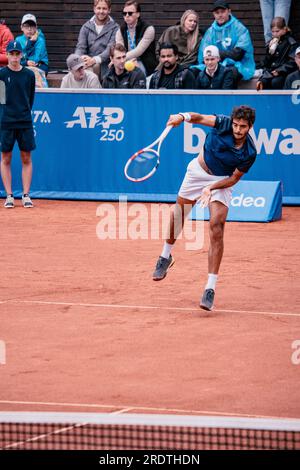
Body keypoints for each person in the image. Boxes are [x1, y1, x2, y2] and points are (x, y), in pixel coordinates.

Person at [152, 105, 257, 311]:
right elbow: (199, 118)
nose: (237, 130)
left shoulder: (249, 153)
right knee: (179, 214)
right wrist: (181, 116)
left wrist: (211, 187)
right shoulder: (223, 123)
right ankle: (166, 256)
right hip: (197, 172)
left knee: (217, 226)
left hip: (220, 181)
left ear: (250, 127)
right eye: (236, 125)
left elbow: (234, 178)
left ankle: (210, 288)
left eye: (242, 127)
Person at [0, 40, 36, 209]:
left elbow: (30, 98)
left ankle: (26, 195)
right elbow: (1, 100)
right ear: (7, 55)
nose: (14, 57)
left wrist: (23, 112)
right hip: (6, 122)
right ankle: (9, 196)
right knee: (6, 158)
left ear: (21, 55)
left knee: (26, 158)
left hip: (25, 122)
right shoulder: (1, 74)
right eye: (11, 54)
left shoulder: (29, 75)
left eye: (17, 54)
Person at [194, 1, 255, 86]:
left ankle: (224, 99)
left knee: (228, 73)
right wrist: (217, 58)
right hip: (214, 64)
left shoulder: (239, 28)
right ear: (213, 14)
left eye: (222, 12)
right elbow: (204, 55)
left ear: (229, 11)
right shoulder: (210, 31)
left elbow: (238, 54)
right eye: (217, 13)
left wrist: (216, 54)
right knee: (192, 72)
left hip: (238, 65)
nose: (220, 15)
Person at [75, 0, 119, 81]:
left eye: (104, 8)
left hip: (106, 64)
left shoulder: (115, 28)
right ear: (94, 9)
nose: (101, 11)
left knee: (92, 69)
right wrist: (79, 59)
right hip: (87, 62)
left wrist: (94, 60)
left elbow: (109, 49)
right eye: (98, 8)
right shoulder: (86, 27)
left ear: (109, 10)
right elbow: (80, 47)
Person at [115, 1, 157, 76]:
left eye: (130, 13)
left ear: (138, 14)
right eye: (124, 13)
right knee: (114, 69)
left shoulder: (148, 29)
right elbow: (119, 50)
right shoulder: (120, 30)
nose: (127, 16)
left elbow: (139, 51)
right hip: (125, 60)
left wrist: (122, 58)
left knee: (136, 72)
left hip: (143, 62)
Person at [256, 17, 297, 90]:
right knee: (262, 82)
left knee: (276, 82)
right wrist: (270, 52)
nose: (275, 34)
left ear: (284, 29)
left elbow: (293, 62)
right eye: (273, 31)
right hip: (271, 73)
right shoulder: (271, 42)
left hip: (283, 73)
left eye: (277, 31)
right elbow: (266, 63)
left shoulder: (291, 43)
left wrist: (279, 71)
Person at [16, 13, 49, 87]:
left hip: (39, 66)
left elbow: (35, 60)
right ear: (21, 27)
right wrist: (26, 62)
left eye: (32, 26)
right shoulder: (18, 40)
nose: (29, 29)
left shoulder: (40, 40)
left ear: (36, 27)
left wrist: (31, 42)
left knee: (31, 73)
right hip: (24, 65)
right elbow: (16, 58)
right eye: (26, 26)